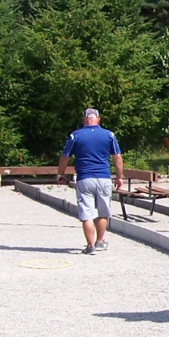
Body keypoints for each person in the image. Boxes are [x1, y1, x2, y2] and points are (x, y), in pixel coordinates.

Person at [57, 108, 124, 255]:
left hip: (85, 178)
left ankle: (90, 246)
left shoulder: (75, 136)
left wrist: (60, 173)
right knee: (103, 210)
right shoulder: (109, 135)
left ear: (84, 120)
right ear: (98, 119)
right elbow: (117, 157)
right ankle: (100, 241)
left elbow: (65, 157)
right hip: (104, 177)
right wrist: (119, 177)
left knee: (86, 212)